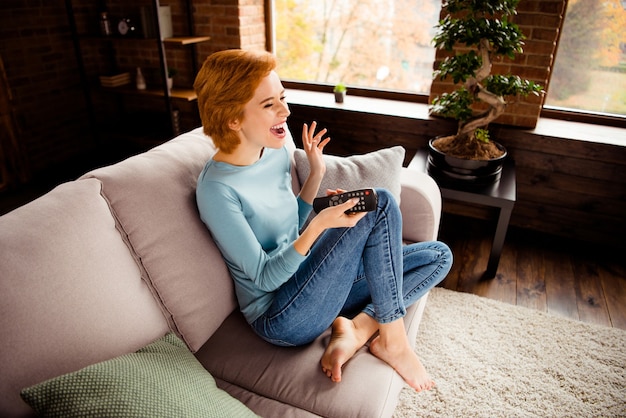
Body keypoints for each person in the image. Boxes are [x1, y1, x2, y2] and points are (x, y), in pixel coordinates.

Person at [194, 49, 452, 392]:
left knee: (438, 257)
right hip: (280, 316)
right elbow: (265, 277)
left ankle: (358, 330)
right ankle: (392, 338)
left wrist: (316, 172)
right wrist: (320, 225)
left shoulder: (274, 151)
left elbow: (292, 224)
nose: (285, 111)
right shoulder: (217, 190)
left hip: (311, 285)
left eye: (283, 99)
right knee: (382, 204)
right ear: (233, 119)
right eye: (269, 104)